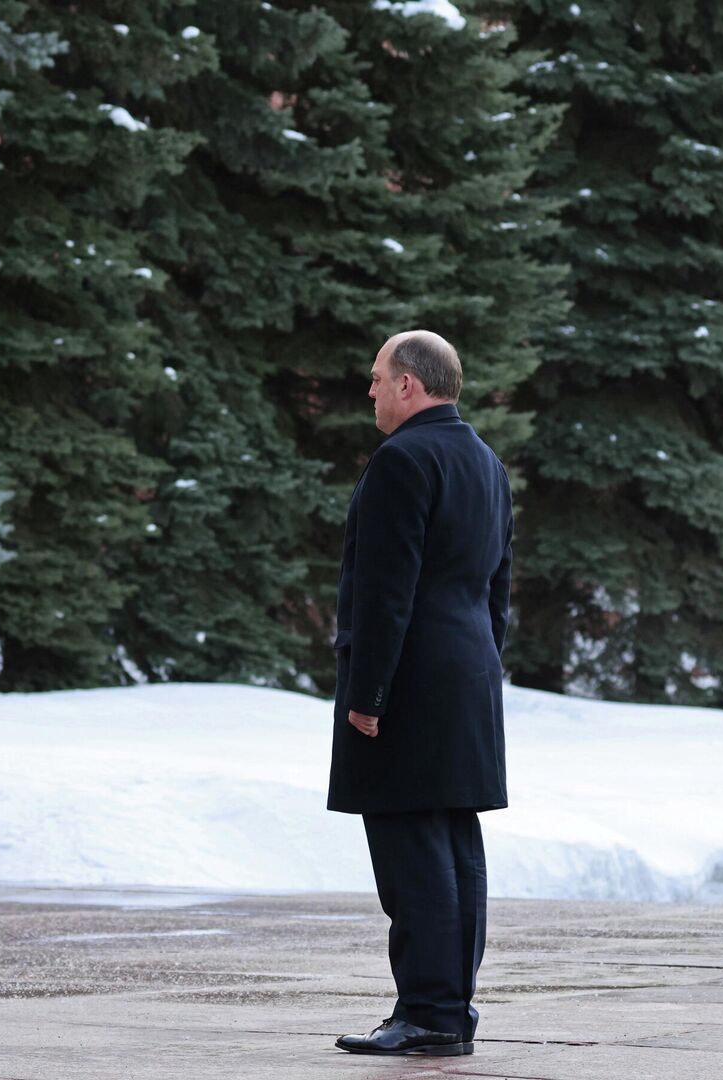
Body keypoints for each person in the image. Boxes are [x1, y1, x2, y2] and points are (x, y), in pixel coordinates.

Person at [329, 331, 513, 1057]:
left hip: (407, 677)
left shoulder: (403, 460)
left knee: (413, 853)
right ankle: (449, 1008)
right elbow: (498, 587)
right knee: (454, 847)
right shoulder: (485, 462)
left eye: (376, 378)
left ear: (409, 384)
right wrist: (483, 667)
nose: (369, 391)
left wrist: (368, 691)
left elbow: (383, 592)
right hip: (465, 674)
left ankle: (429, 1012)